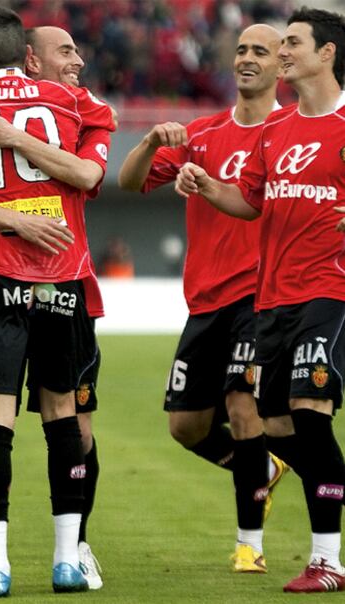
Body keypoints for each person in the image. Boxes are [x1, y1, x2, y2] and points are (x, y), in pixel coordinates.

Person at [0, 5, 115, 597]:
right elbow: (85, 174)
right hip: (60, 272)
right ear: (30, 55)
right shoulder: (76, 106)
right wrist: (29, 213)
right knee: (62, 417)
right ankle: (60, 558)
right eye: (66, 53)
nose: (77, 63)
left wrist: (8, 142)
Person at [175, 6, 345, 594]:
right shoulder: (277, 132)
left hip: (330, 292)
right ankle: (328, 493)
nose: (283, 52)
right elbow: (249, 202)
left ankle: (329, 560)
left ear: (326, 53)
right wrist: (204, 185)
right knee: (275, 425)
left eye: (293, 43)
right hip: (273, 298)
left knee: (310, 417)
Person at [118, 23, 288, 572]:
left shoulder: (290, 135)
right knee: (186, 428)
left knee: (243, 406)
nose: (247, 59)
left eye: (260, 51)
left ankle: (249, 547)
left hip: (260, 297)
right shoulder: (203, 133)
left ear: (281, 67)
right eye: (241, 49)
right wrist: (148, 142)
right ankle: (260, 468)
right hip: (205, 301)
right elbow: (128, 182)